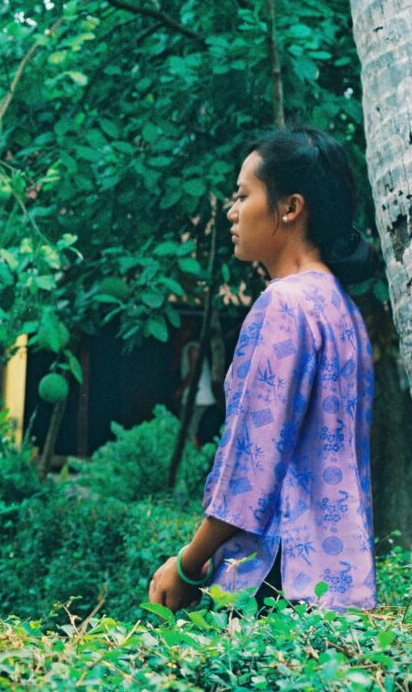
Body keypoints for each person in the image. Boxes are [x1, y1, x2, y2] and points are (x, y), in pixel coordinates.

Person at [148, 127, 379, 612]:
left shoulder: (284, 305)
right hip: (339, 583)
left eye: (242, 195)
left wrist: (188, 564)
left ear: (291, 208)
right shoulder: (342, 309)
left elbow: (250, 469)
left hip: (277, 580)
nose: (232, 212)